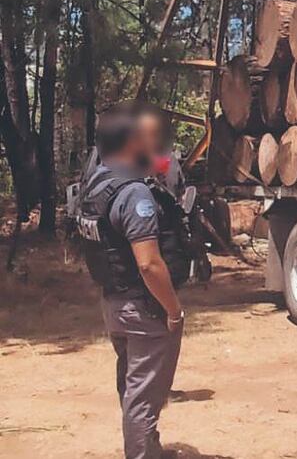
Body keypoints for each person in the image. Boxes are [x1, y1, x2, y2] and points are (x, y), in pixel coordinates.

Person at [73, 105, 192, 458]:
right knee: (144, 396)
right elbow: (149, 264)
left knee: (133, 386)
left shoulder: (95, 183)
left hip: (115, 303)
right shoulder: (133, 194)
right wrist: (173, 310)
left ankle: (149, 448)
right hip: (144, 308)